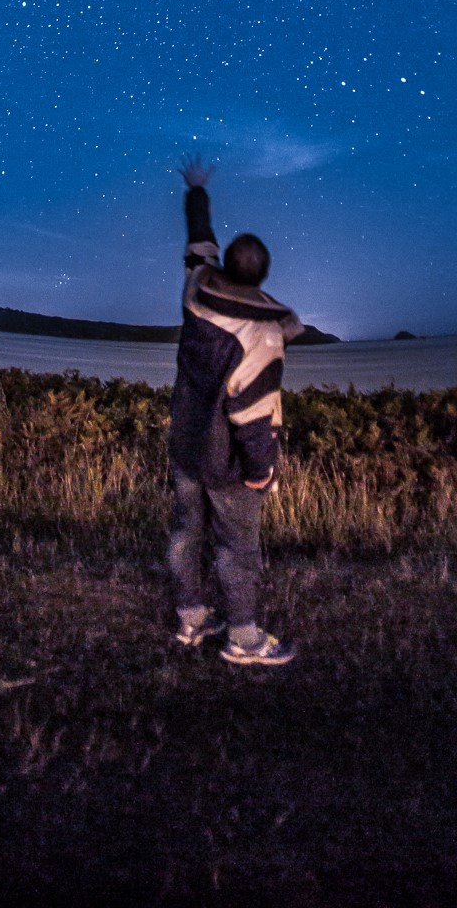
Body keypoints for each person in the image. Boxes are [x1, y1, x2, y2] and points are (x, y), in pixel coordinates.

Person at [167, 158, 302, 666]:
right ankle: (243, 639)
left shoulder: (196, 289)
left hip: (185, 439)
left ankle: (192, 619)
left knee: (185, 530)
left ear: (226, 266)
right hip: (226, 460)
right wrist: (261, 471)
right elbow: (252, 411)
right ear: (264, 274)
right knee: (238, 548)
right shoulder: (262, 335)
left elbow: (198, 241)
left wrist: (196, 192)